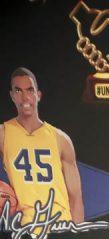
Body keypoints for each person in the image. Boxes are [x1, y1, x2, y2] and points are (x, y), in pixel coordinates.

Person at [1, 68, 84, 224]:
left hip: (61, 225)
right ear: (12, 96)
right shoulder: (4, 133)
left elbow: (75, 197)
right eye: (18, 91)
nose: (25, 97)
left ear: (38, 95)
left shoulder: (61, 138)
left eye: (30, 90)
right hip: (26, 228)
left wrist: (76, 235)